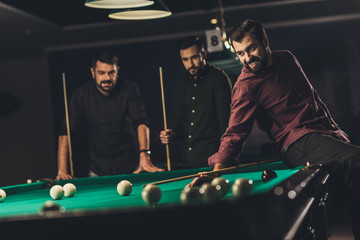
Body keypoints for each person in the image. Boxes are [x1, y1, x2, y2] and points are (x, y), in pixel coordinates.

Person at [188, 19, 360, 238]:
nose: (247, 58)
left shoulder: (287, 58)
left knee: (353, 186)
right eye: (240, 53)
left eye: (251, 48)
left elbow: (313, 100)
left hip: (325, 136)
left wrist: (338, 134)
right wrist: (218, 170)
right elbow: (235, 133)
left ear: (264, 40)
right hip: (297, 143)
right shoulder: (245, 86)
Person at [57, 51, 163, 180]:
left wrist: (144, 154)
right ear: (93, 72)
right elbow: (66, 132)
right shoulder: (81, 95)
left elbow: (141, 122)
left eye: (111, 73)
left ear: (117, 71)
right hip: (98, 168)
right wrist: (62, 171)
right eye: (101, 73)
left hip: (131, 164)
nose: (107, 78)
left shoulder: (129, 89)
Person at [159, 36, 232, 168]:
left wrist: (223, 159)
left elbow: (226, 126)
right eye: (185, 59)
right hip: (188, 160)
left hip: (213, 161)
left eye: (194, 57)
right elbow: (178, 119)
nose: (190, 64)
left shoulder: (218, 78)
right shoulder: (182, 82)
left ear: (203, 54)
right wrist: (171, 134)